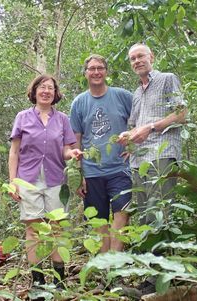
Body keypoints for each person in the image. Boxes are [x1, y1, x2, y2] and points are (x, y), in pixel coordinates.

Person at [8, 74, 82, 288]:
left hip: (56, 180)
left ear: (55, 93)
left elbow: (66, 150)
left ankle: (59, 280)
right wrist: (13, 182)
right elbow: (14, 152)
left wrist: (73, 153)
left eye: (50, 88)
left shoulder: (62, 119)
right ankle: (38, 282)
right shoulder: (22, 117)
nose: (46, 91)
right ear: (34, 91)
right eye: (42, 87)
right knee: (34, 230)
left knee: (57, 228)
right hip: (28, 180)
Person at [70, 54, 133, 252]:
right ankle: (106, 271)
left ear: (106, 72)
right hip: (92, 171)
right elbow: (76, 140)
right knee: (99, 222)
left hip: (121, 169)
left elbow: (139, 123)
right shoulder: (79, 103)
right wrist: (78, 174)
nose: (96, 72)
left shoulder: (123, 96)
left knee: (122, 214)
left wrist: (134, 147)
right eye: (92, 69)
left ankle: (116, 266)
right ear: (85, 73)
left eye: (100, 68)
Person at [119, 43, 187, 226]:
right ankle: (147, 254)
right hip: (139, 159)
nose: (137, 61)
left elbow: (181, 114)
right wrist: (128, 138)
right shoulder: (137, 93)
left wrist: (150, 127)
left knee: (159, 214)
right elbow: (135, 125)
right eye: (133, 59)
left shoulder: (167, 79)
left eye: (140, 56)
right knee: (144, 216)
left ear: (152, 57)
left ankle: (163, 252)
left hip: (161, 154)